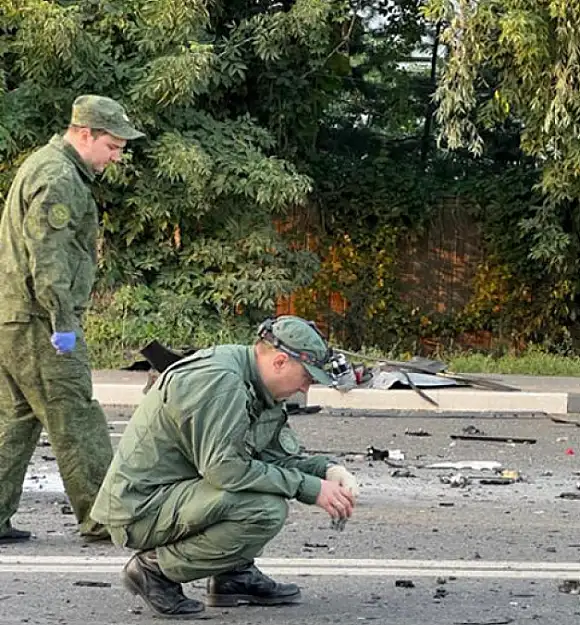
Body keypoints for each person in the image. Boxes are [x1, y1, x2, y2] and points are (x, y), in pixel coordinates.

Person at [90, 316, 360, 619]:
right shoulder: (221, 381)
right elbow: (226, 471)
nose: (305, 388)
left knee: (262, 491)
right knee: (264, 509)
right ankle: (154, 570)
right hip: (140, 508)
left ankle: (232, 576)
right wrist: (307, 488)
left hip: (178, 494)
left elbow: (271, 458)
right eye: (307, 377)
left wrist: (327, 471)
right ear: (280, 362)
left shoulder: (261, 385)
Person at [0, 95, 144, 544]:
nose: (117, 156)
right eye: (113, 145)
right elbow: (50, 257)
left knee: (15, 420)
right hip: (41, 321)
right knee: (76, 417)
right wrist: (63, 322)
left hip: (15, 317)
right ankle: (105, 517)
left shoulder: (47, 166)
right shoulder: (59, 177)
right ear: (85, 134)